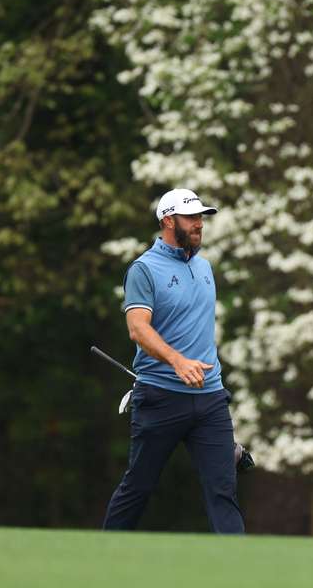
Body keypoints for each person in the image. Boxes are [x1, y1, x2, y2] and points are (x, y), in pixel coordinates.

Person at [103, 188, 245, 533]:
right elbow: (138, 329)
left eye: (201, 218)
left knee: (223, 490)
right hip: (160, 396)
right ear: (168, 220)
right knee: (139, 486)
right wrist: (178, 362)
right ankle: (104, 556)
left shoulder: (204, 266)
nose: (199, 224)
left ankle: (242, 570)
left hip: (210, 397)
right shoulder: (144, 269)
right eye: (192, 218)